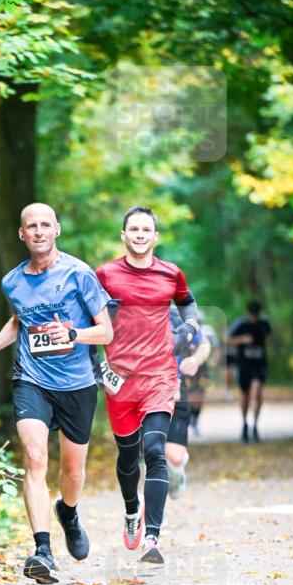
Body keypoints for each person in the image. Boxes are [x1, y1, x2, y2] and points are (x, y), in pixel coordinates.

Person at [0, 203, 113, 584]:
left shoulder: (80, 274)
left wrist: (75, 335)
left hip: (77, 383)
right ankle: (43, 551)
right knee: (33, 458)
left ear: (57, 230)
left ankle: (70, 511)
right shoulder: (12, 281)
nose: (39, 231)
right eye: (31, 226)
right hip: (31, 379)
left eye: (45, 225)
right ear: (22, 234)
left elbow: (106, 332)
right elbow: (20, 321)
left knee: (72, 471)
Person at [95, 206, 201, 565]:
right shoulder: (105, 274)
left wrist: (191, 327)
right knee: (127, 455)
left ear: (155, 237)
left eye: (146, 230)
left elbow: (188, 305)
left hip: (159, 375)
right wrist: (94, 360)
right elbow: (89, 317)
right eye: (133, 229)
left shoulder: (171, 274)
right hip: (120, 379)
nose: (140, 235)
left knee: (154, 449)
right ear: (124, 235)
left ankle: (152, 537)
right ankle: (130, 510)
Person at [166, 305, 212, 498]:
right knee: (148, 454)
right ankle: (153, 516)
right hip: (142, 393)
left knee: (174, 459)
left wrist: (195, 360)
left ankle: (176, 471)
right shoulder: (131, 313)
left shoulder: (175, 315)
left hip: (176, 392)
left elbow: (204, 344)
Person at [228, 301, 272, 442]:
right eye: (252, 314)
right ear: (248, 312)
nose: (254, 317)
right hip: (244, 364)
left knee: (257, 390)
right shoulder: (240, 324)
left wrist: (266, 340)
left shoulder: (264, 324)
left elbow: (270, 339)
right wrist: (242, 339)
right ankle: (245, 424)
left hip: (259, 363)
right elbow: (228, 340)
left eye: (256, 314)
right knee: (245, 395)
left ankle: (255, 425)